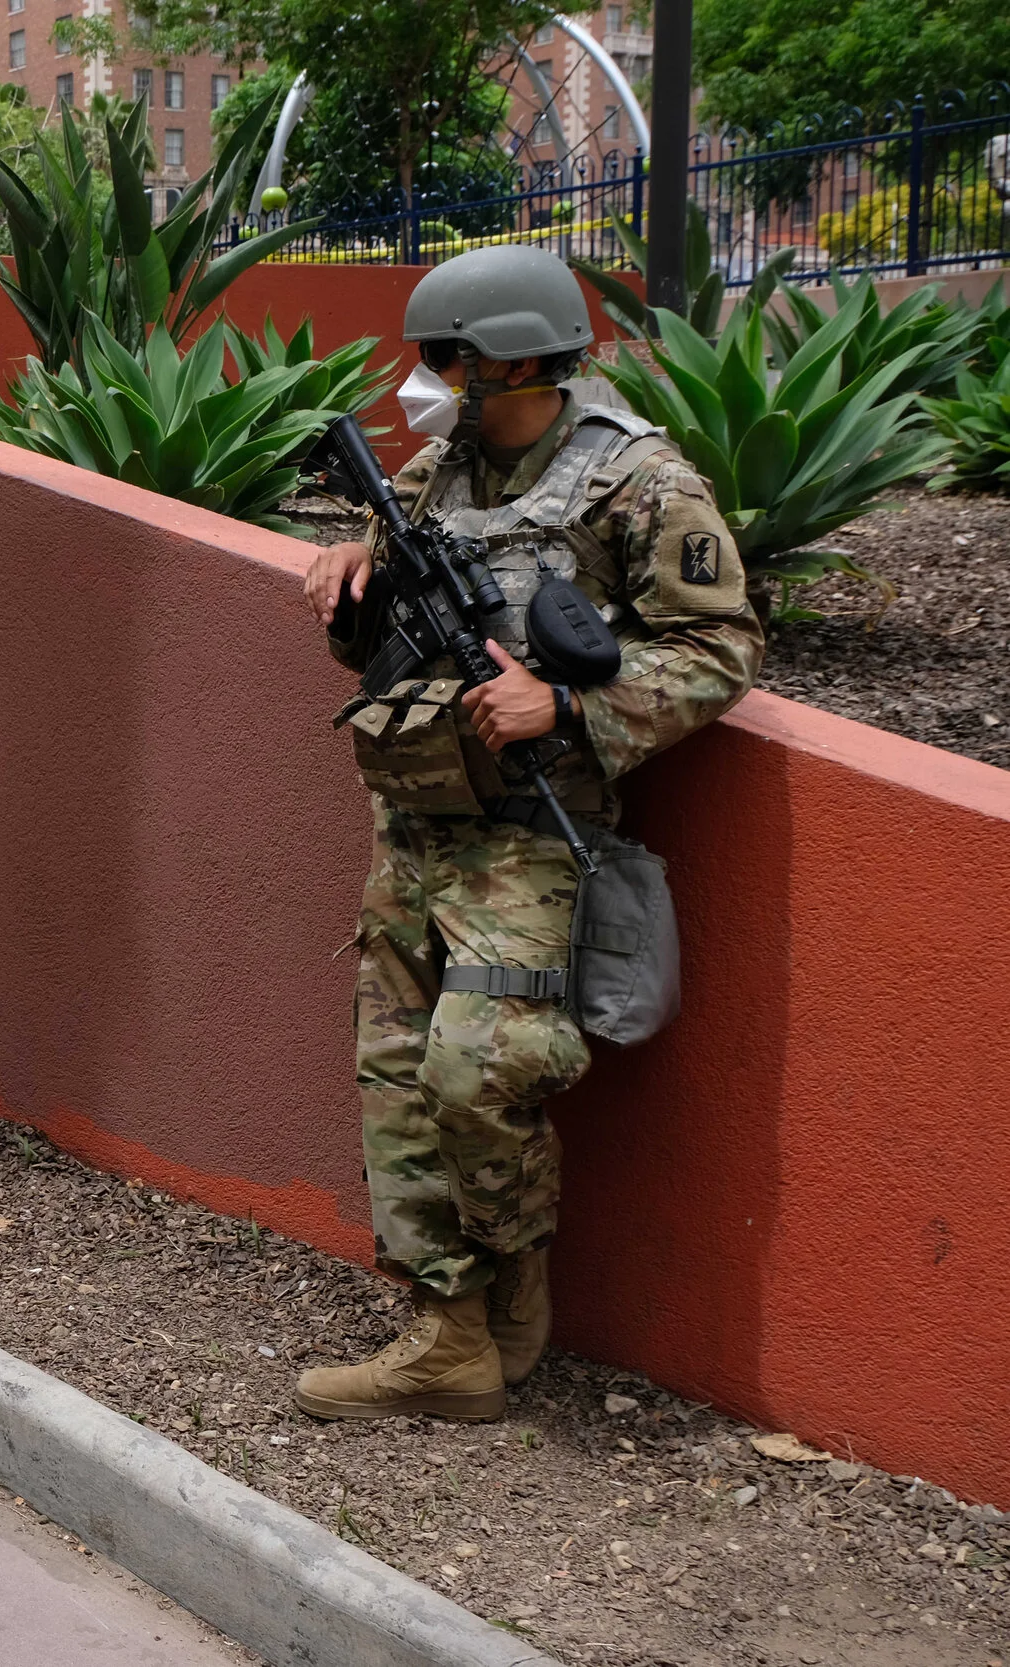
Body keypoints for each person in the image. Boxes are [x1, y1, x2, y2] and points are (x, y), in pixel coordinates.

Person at [293, 246, 763, 1423]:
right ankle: (447, 1326)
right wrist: (352, 570)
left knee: (478, 1069)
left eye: (444, 357)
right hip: (413, 820)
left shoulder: (641, 483)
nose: (429, 378)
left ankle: (513, 1291)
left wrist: (569, 706)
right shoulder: (440, 466)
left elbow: (721, 650)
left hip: (530, 833)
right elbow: (389, 620)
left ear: (507, 355)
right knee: (396, 1078)